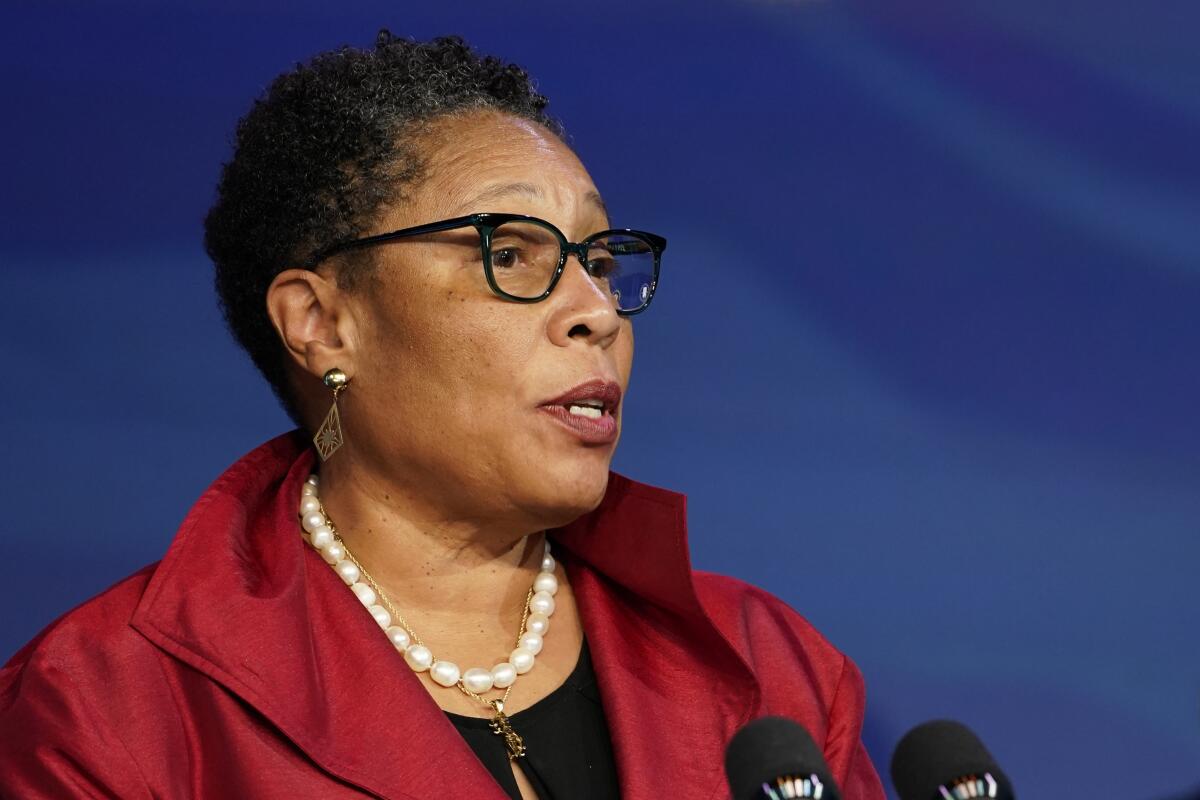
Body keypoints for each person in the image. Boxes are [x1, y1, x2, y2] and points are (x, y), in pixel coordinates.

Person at [0, 32, 885, 799]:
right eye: (510, 253)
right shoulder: (111, 705)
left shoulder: (773, 671)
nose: (599, 312)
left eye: (599, 261)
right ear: (322, 324)